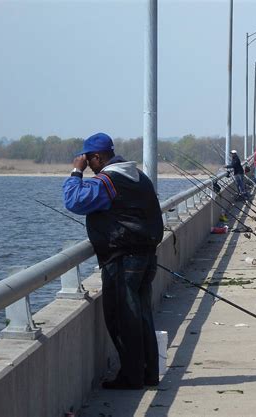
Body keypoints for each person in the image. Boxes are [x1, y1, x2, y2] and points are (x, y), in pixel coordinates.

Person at [62, 132, 164, 390]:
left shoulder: (108, 180)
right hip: (145, 256)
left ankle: (131, 377)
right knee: (141, 316)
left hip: (122, 259)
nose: (87, 164)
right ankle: (149, 373)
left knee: (122, 317)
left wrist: (76, 172)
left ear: (97, 157)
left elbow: (74, 201)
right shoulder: (139, 177)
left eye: (88, 160)